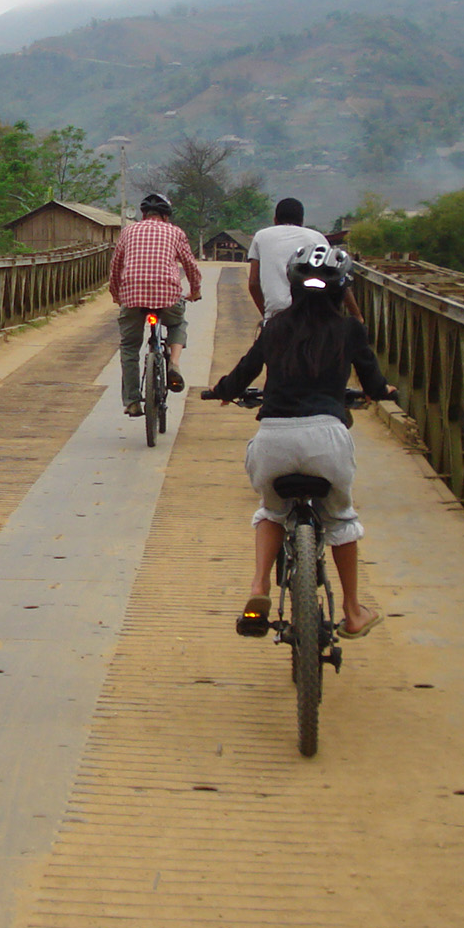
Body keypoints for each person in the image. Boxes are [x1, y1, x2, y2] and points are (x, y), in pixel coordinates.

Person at [204, 244, 395, 639]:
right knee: (341, 521)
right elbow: (374, 384)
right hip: (327, 439)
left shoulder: (275, 327)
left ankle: (258, 587)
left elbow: (243, 374)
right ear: (342, 291)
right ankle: (353, 611)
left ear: (293, 287)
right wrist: (384, 390)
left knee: (271, 512)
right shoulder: (350, 330)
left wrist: (223, 390)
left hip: (274, 440)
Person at [108, 191, 202, 418]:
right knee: (178, 323)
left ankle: (132, 401)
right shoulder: (175, 232)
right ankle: (174, 364)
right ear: (166, 216)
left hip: (133, 295)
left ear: (143, 214)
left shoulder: (129, 231)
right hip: (167, 295)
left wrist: (116, 295)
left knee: (129, 346)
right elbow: (190, 266)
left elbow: (116, 267)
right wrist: (195, 291)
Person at [247, 197, 329, 324]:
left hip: (276, 313)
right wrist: (357, 315)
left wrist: (266, 316)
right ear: (302, 221)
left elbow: (253, 283)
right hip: (310, 313)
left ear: (275, 220)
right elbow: (335, 276)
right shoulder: (317, 238)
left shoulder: (261, 236)